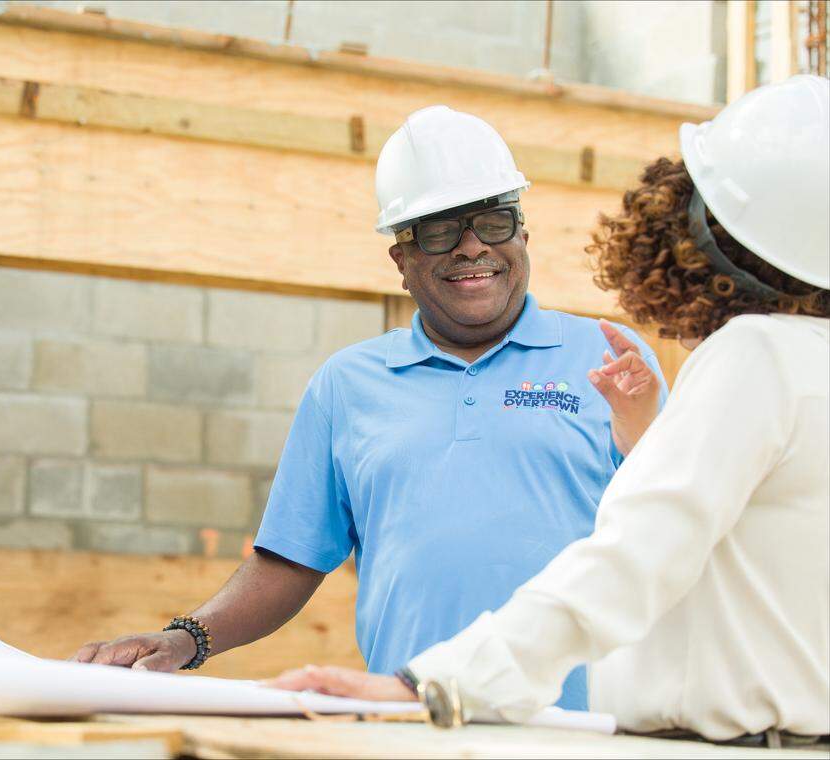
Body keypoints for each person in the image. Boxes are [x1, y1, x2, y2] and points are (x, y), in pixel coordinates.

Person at [266, 75, 830, 748]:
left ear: (711, 239)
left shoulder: (755, 357)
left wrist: (435, 683)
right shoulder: (808, 366)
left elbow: (635, 555)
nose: (471, 247)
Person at [75, 106, 667, 711]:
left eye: (493, 222)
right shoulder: (347, 386)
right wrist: (184, 639)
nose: (471, 248)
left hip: (585, 727)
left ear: (522, 235)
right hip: (415, 721)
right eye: (439, 231)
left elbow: (674, 529)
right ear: (402, 261)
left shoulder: (607, 360)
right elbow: (292, 559)